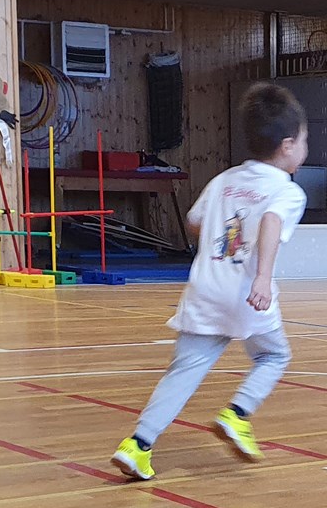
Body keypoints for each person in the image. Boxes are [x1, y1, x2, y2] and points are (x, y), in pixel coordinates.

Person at [111, 83, 308, 482]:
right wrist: (262, 278)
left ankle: (138, 445)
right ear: (288, 146)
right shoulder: (287, 191)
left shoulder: (225, 180)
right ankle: (237, 413)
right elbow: (271, 222)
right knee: (273, 357)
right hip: (246, 293)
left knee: (184, 371)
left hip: (205, 288)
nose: (305, 148)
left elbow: (195, 221)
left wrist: (223, 239)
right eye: (304, 141)